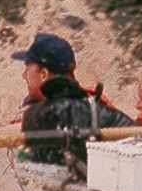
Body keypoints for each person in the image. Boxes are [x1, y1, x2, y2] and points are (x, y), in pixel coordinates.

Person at [13, 31, 134, 173]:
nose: (24, 75)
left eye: (27, 69)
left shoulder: (38, 114)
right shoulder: (98, 107)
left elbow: (13, 133)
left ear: (43, 75)